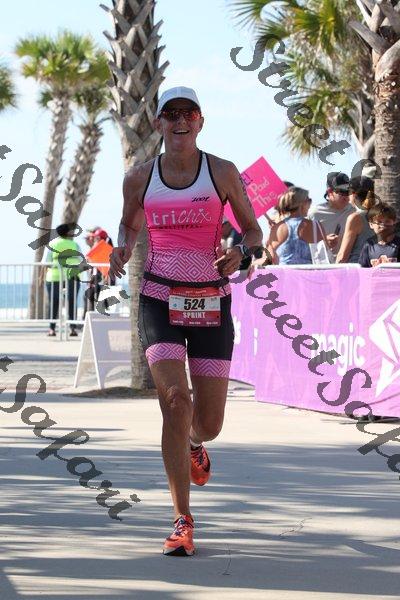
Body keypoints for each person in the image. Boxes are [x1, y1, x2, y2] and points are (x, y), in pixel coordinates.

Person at [109, 86, 262, 556]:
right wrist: (121, 247)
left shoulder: (221, 172)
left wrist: (241, 252)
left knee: (208, 423)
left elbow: (253, 230)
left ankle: (196, 442)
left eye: (188, 114)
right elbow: (129, 224)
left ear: (200, 122)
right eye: (170, 114)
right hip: (159, 298)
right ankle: (182, 520)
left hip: (211, 300)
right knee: (175, 401)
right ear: (158, 123)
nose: (180, 121)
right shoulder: (139, 177)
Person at [266, 187, 327, 265]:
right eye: (309, 200)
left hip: (284, 272)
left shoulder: (278, 228)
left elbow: (271, 258)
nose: (310, 204)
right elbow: (324, 254)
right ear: (302, 203)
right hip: (310, 272)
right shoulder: (315, 226)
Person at [44, 223, 81, 337]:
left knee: (54, 302)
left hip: (54, 277)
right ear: (68, 233)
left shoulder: (52, 244)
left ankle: (52, 329)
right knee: (71, 302)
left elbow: (46, 262)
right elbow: (81, 260)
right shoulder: (74, 244)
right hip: (72, 276)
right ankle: (72, 328)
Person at [308, 172, 355, 260]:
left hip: (348, 263)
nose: (346, 196)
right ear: (330, 192)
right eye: (342, 192)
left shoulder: (354, 212)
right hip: (323, 264)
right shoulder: (314, 213)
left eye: (348, 191)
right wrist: (324, 242)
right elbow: (304, 243)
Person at [336, 176, 376, 263]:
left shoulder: (355, 218)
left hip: (357, 268)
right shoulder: (383, 214)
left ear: (353, 195)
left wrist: (334, 270)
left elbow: (342, 256)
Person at [359, 203, 400, 267]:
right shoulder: (369, 245)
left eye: (387, 221)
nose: (383, 225)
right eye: (379, 222)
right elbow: (363, 268)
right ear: (371, 224)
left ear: (394, 223)